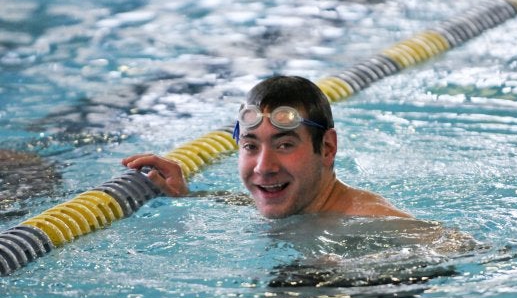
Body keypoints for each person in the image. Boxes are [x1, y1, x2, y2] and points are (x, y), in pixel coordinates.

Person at [122, 75, 412, 219]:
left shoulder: (372, 219)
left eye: (284, 144)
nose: (264, 167)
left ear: (326, 148)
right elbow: (241, 201)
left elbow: (450, 245)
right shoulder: (299, 204)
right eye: (250, 145)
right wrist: (186, 196)